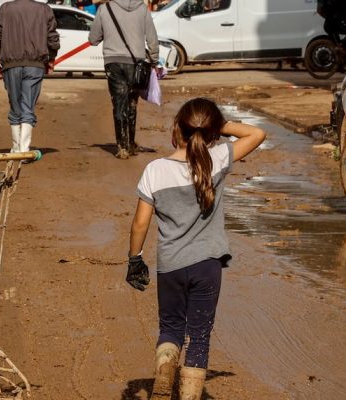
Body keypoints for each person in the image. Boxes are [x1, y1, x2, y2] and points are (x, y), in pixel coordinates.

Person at [127, 98, 266, 400]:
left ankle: (165, 368)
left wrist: (134, 259)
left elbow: (139, 224)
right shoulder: (217, 159)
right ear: (212, 132)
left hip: (171, 266)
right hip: (207, 266)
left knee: (171, 327)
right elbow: (257, 135)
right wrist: (219, 124)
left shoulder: (155, 170)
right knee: (199, 337)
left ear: (177, 127)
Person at [89, 0, 159, 159]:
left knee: (119, 104)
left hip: (113, 63)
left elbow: (93, 39)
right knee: (132, 103)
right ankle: (131, 144)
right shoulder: (142, 8)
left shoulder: (104, 8)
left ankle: (122, 148)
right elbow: (152, 37)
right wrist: (154, 60)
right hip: (136, 63)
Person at [0, 0, 60, 154]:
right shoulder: (44, 9)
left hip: (10, 64)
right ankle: (24, 148)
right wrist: (51, 60)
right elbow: (53, 37)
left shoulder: (5, 9)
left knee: (15, 105)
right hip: (35, 65)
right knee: (28, 105)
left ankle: (16, 148)